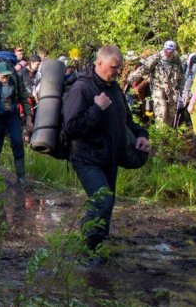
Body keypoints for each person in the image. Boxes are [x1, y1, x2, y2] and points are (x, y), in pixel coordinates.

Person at [63, 45, 150, 252]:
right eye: (114, 67)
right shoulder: (82, 88)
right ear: (100, 63)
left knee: (108, 204)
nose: (118, 71)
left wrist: (141, 135)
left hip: (110, 157)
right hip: (86, 158)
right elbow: (71, 128)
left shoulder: (114, 88)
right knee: (102, 201)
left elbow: (127, 120)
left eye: (120, 67)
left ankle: (99, 246)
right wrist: (96, 109)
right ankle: (87, 248)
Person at [127, 41, 183, 126]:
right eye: (167, 50)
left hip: (171, 90)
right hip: (158, 87)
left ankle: (167, 132)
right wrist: (131, 79)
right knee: (161, 112)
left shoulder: (176, 59)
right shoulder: (156, 57)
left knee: (170, 114)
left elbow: (181, 75)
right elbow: (144, 69)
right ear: (164, 49)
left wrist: (182, 90)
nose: (168, 53)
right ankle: (160, 132)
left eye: (171, 51)